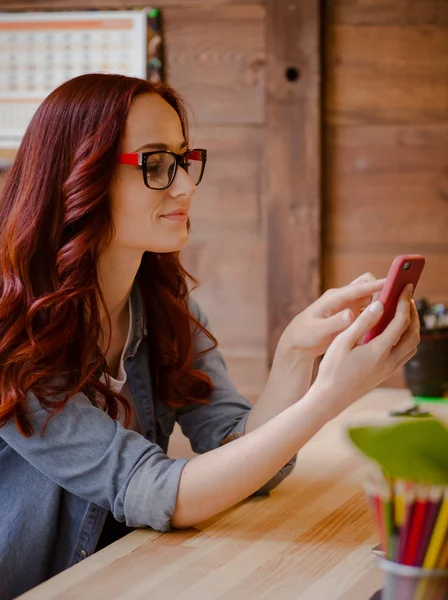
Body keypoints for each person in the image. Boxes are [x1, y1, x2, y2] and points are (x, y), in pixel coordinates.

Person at [0, 73, 419, 599]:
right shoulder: (14, 332)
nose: (184, 185)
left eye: (183, 159)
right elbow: (156, 492)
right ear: (78, 175)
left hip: (125, 575)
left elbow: (244, 461)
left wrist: (296, 353)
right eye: (154, 164)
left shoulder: (164, 304)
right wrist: (329, 396)